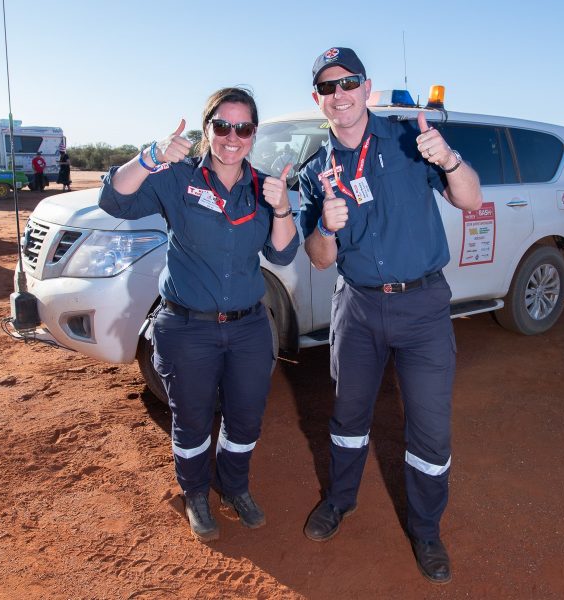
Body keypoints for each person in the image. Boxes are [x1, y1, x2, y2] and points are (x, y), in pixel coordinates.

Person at [298, 47, 483, 584]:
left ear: (367, 88)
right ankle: (339, 500)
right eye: (329, 87)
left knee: (429, 427)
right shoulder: (317, 170)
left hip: (423, 307)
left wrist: (448, 159)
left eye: (349, 82)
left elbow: (470, 200)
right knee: (348, 418)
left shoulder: (409, 141)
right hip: (356, 307)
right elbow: (317, 257)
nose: (341, 94)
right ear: (319, 99)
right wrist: (326, 227)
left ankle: (426, 531)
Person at [98, 87, 299, 542]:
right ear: (207, 128)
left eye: (243, 128)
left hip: (249, 327)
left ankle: (234, 487)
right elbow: (115, 200)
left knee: (246, 418)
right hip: (186, 328)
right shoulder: (178, 176)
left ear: (253, 133)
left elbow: (284, 254)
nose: (233, 137)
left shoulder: (263, 187)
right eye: (222, 126)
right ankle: (194, 494)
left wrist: (282, 206)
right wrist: (150, 156)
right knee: (191, 419)